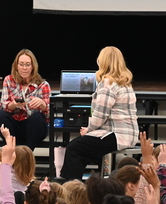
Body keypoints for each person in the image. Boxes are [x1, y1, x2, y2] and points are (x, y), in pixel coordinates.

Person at [59, 46, 138, 181]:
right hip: (126, 134)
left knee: (74, 148)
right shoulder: (125, 83)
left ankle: (72, 190)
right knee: (82, 146)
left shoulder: (108, 84)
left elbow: (100, 116)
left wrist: (88, 129)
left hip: (117, 135)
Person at [0, 49, 51, 149]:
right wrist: (13, 105)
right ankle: (12, 150)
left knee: (37, 117)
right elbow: (3, 105)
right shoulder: (9, 80)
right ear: (16, 66)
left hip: (33, 127)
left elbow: (49, 115)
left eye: (28, 65)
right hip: (14, 126)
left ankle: (27, 152)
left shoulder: (43, 85)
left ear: (33, 66)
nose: (24, 68)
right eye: (21, 64)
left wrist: (42, 105)